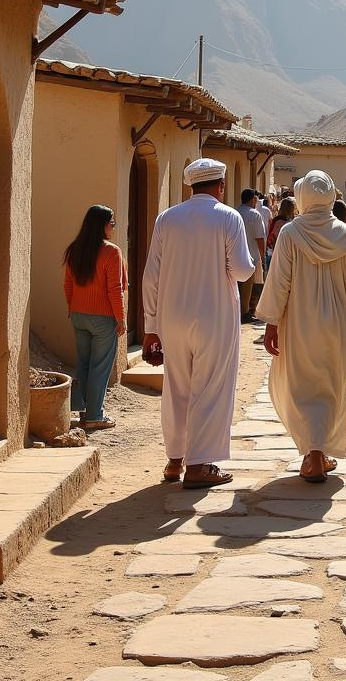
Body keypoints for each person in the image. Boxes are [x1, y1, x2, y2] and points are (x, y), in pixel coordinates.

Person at [142, 158, 254, 488]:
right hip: (215, 315)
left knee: (177, 387)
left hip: (171, 317)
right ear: (220, 185)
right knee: (211, 387)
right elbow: (242, 270)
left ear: (190, 186)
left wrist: (150, 327)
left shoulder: (167, 218)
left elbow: (151, 277)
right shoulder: (228, 217)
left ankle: (175, 461)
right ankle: (199, 465)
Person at [258, 171, 346, 482]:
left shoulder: (291, 234)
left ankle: (313, 454)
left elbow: (279, 281)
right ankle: (319, 453)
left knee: (302, 385)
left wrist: (272, 323)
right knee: (333, 385)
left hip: (299, 322)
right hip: (340, 323)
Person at [63, 204, 127, 431]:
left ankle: (81, 408)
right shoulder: (111, 251)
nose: (113, 228)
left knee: (84, 363)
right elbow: (115, 289)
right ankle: (94, 415)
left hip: (79, 315)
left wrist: (73, 308)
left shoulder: (74, 249)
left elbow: (68, 284)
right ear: (102, 225)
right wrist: (121, 318)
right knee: (100, 367)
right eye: (112, 223)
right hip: (102, 318)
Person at [236, 188, 267, 325]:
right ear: (252, 199)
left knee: (237, 286)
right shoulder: (255, 215)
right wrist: (262, 254)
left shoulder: (235, 212)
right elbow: (260, 238)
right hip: (252, 255)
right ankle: (245, 312)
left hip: (236, 254)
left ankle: (240, 310)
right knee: (249, 287)